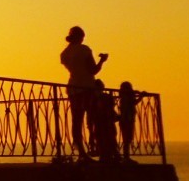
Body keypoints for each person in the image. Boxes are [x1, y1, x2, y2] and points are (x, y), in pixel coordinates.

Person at [60, 25, 107, 159]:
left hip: (73, 88)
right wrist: (102, 61)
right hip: (87, 87)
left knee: (77, 120)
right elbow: (93, 70)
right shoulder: (84, 50)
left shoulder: (64, 53)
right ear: (80, 37)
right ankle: (99, 147)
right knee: (94, 118)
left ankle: (81, 150)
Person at [90, 80, 120, 161]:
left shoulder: (96, 98)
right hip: (103, 120)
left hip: (103, 120)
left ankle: (107, 155)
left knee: (105, 138)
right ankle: (109, 154)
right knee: (106, 138)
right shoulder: (103, 97)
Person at [117, 81, 142, 160]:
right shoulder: (126, 98)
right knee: (127, 139)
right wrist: (140, 97)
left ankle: (126, 156)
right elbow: (133, 102)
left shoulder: (124, 98)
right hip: (126, 119)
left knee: (127, 139)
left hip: (126, 119)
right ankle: (126, 157)